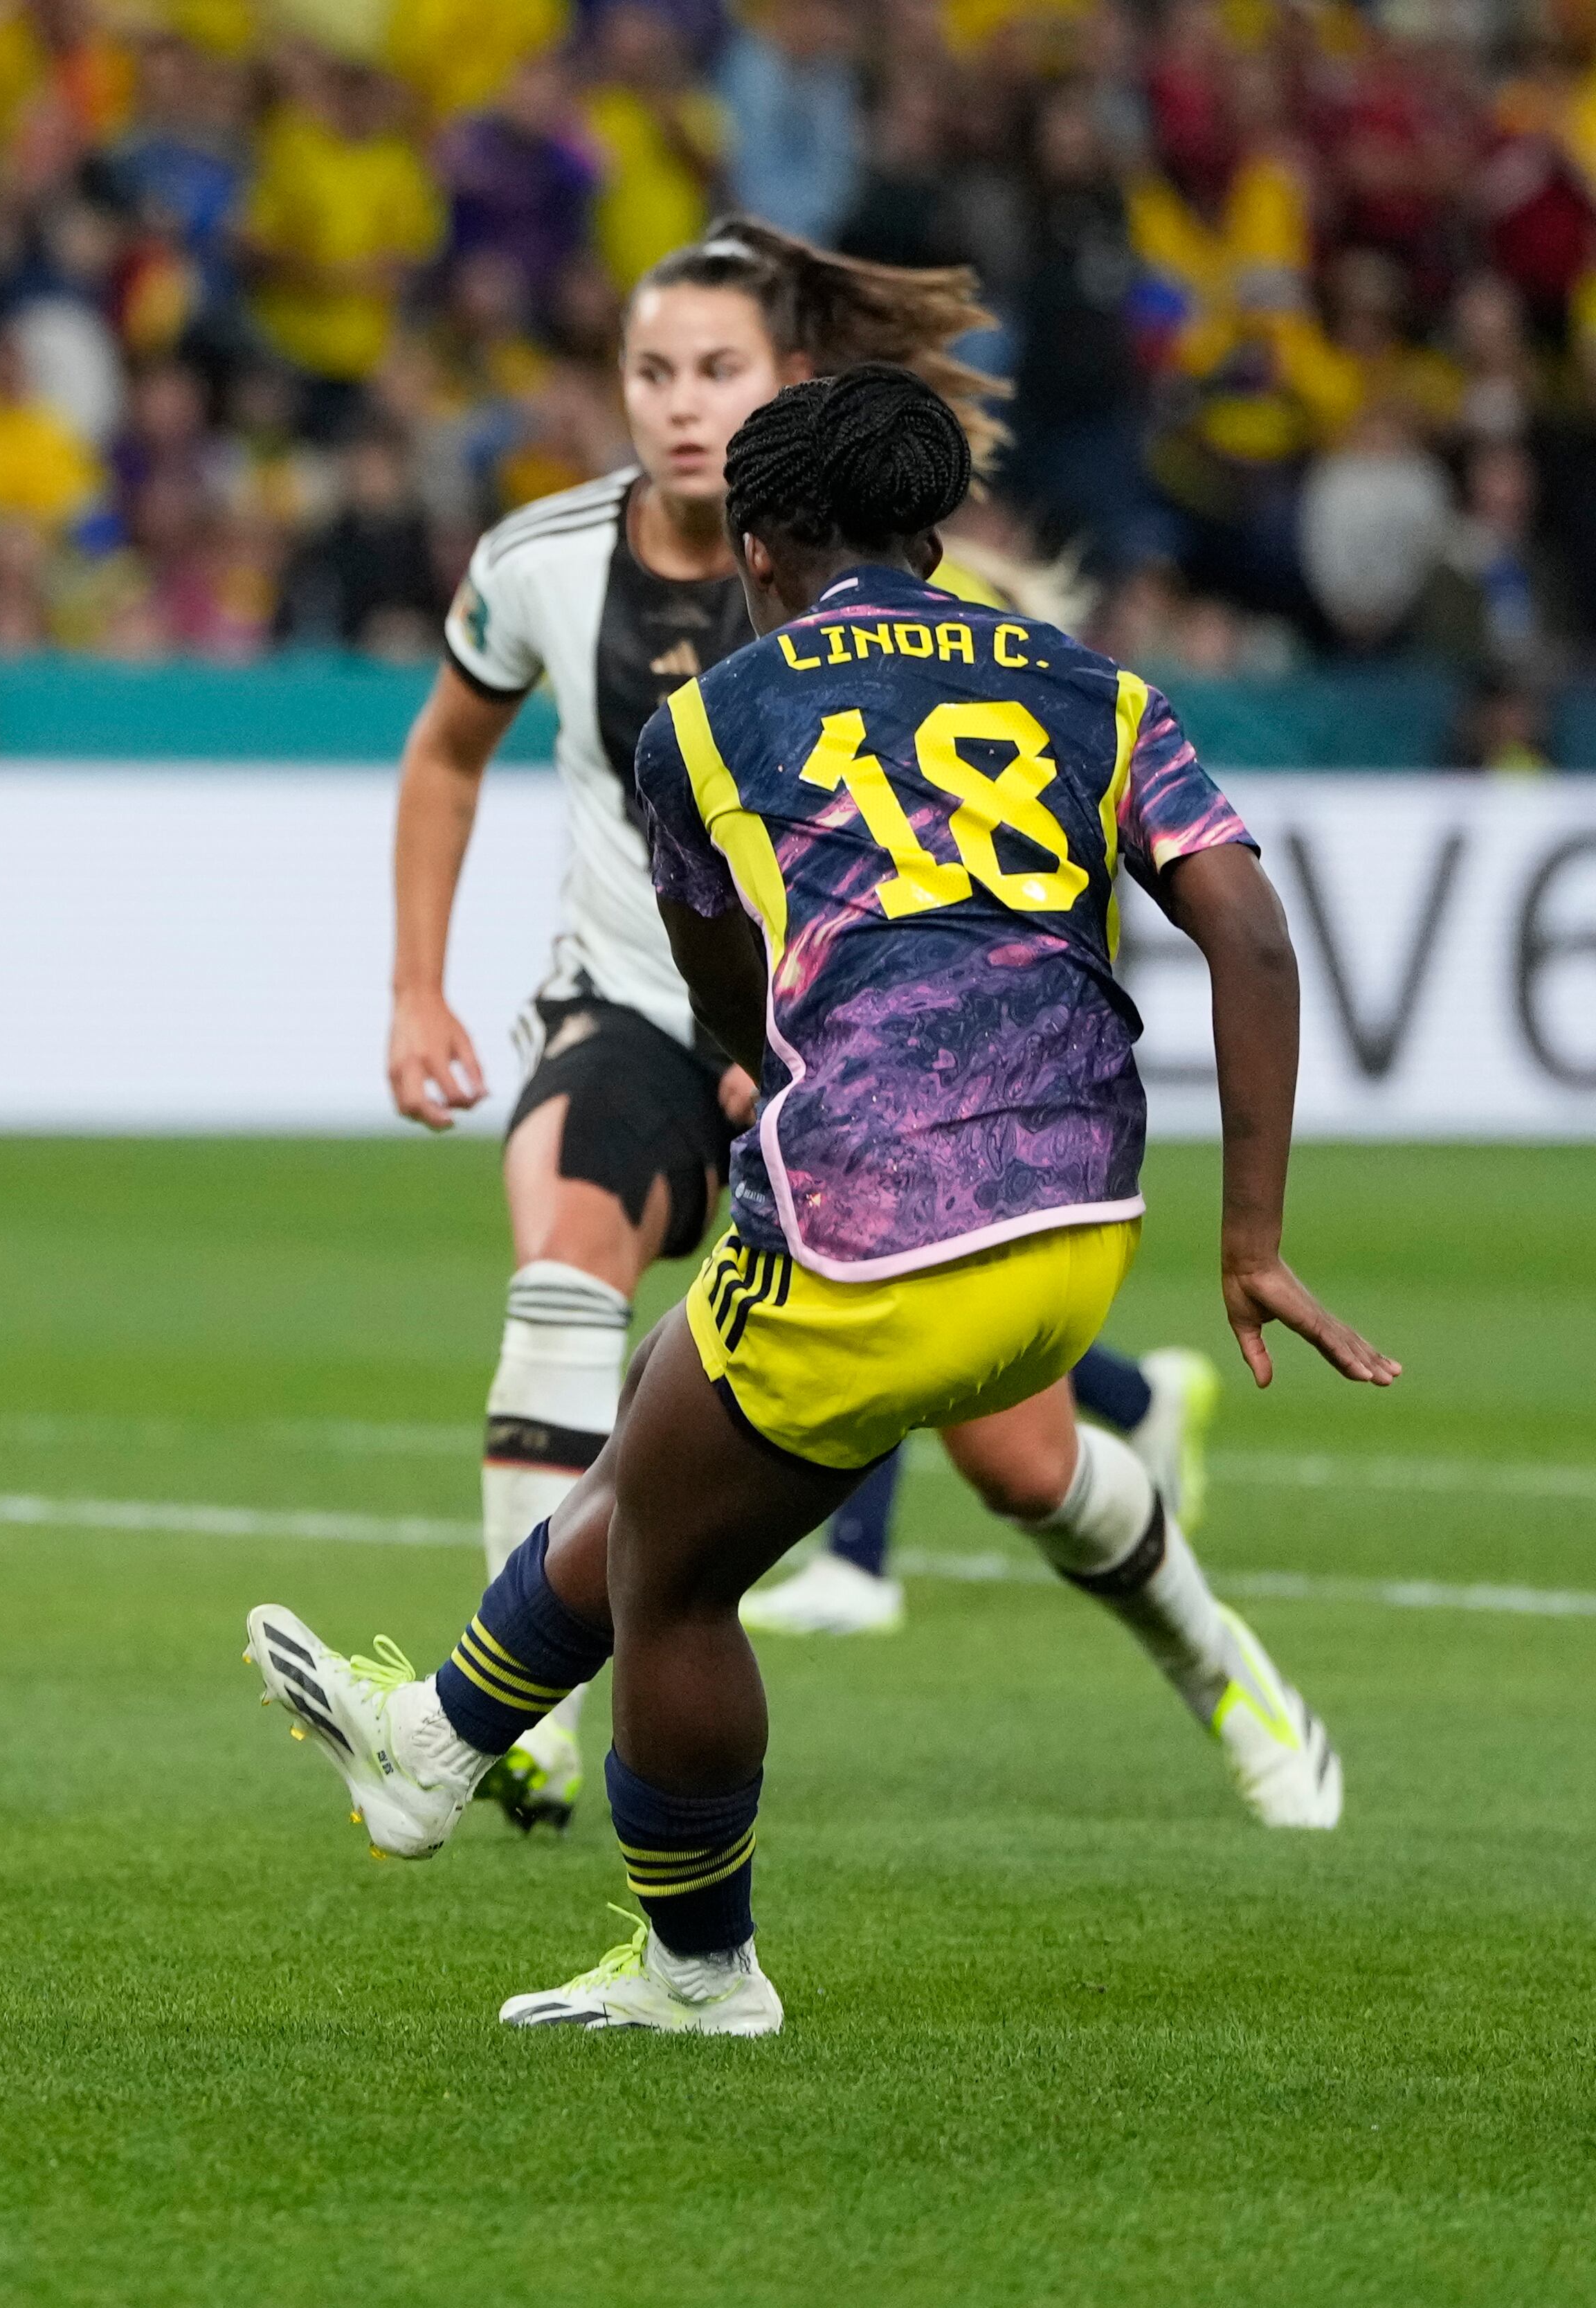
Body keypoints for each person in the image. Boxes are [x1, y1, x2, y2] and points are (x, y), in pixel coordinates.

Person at [253, 368, 1396, 2033]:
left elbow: (737, 1000)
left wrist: (791, 1076)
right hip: (1078, 1228)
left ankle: (697, 1967)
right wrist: (1253, 1240)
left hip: (872, 1222)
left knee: (676, 1578)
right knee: (663, 1415)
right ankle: (433, 1740)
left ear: (761, 545)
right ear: (933, 540)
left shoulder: (707, 718)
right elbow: (1254, 935)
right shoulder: (1099, 690)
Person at [382, 219, 1218, 1818]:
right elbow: (444, 750)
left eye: (718, 372)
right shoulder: (539, 561)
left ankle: (1191, 1603)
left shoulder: (920, 603)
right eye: (649, 371)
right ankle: (512, 1737)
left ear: (786, 396)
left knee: (1009, 1458)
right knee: (570, 1278)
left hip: (856, 1052)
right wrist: (417, 984)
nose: (679, 404)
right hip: (644, 1005)